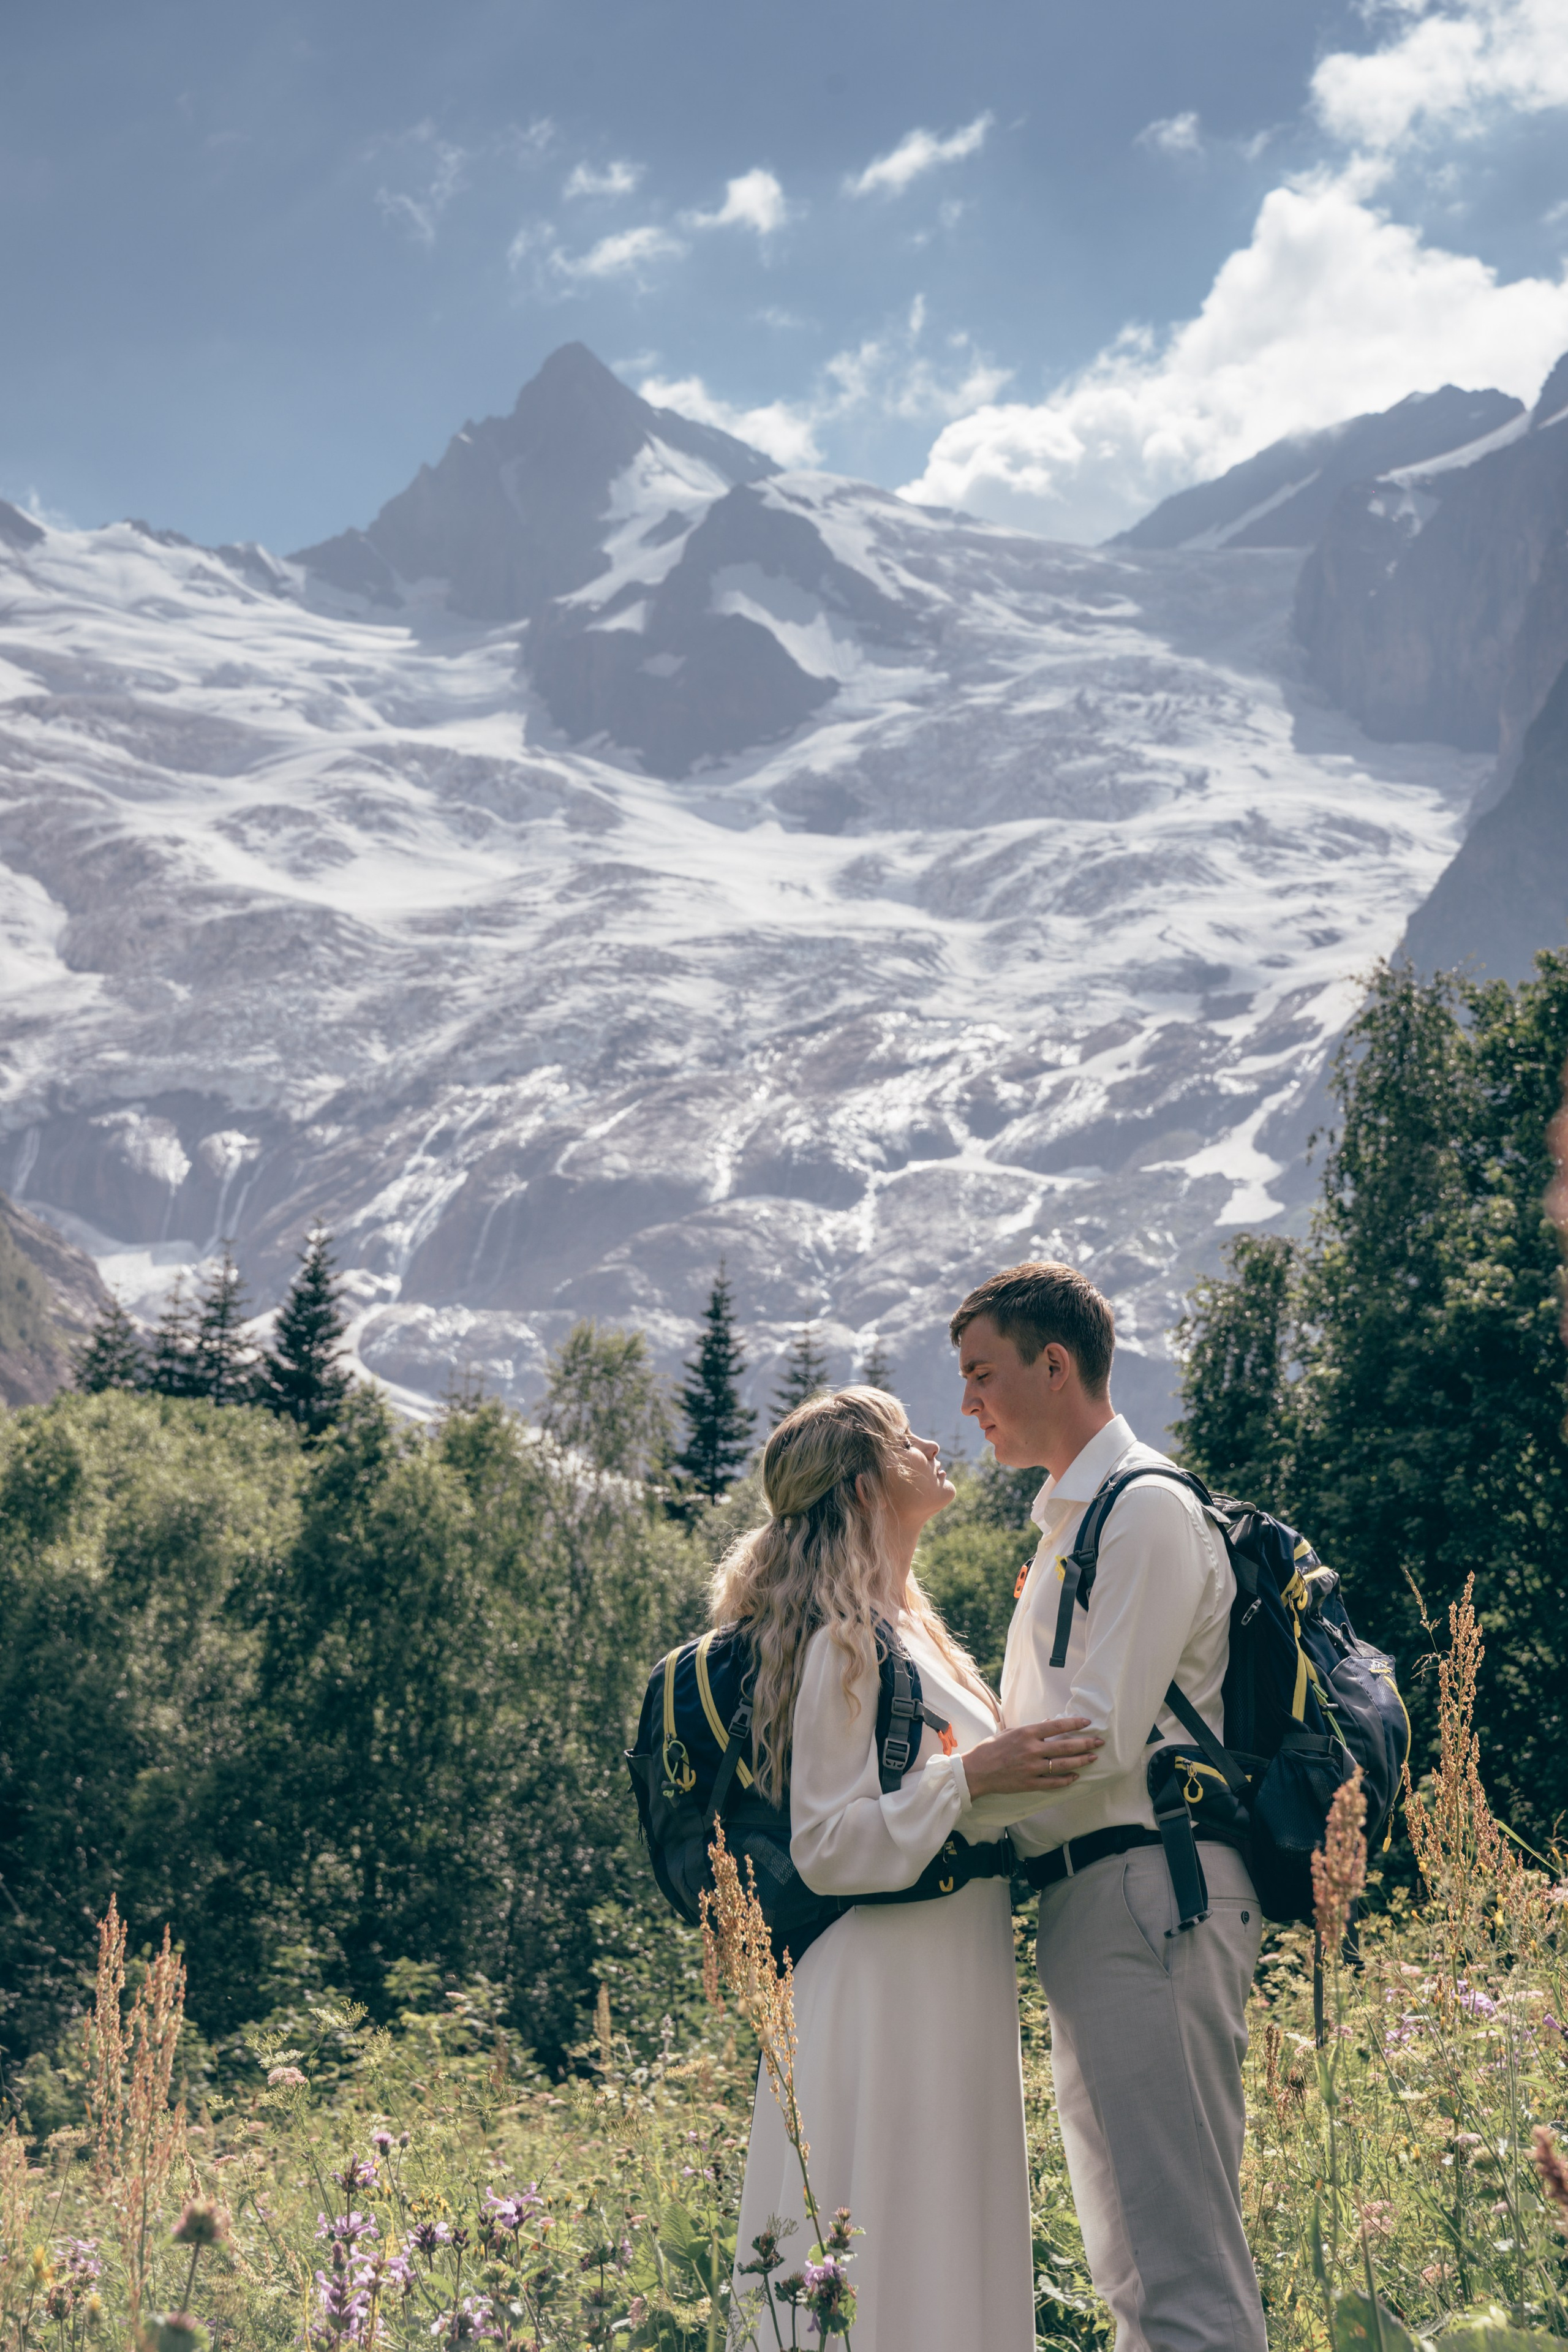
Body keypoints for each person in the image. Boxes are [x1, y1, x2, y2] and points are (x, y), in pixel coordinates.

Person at [722, 1384, 1102, 2352]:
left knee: (939, 2237)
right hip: (881, 1985)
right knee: (882, 2239)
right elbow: (828, 1843)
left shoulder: (916, 1635)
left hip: (945, 1974)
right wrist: (970, 1780)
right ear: (862, 1486)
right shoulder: (844, 1640)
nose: (933, 1442)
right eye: (902, 1437)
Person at [951, 1261, 1266, 2352]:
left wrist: (941, 1813)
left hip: (1150, 1886)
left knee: (1178, 2262)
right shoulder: (1070, 1531)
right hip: (1107, 1896)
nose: (969, 1403)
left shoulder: (1144, 1513)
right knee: (1133, 2258)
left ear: (1056, 1363)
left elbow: (1097, 1740)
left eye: (983, 1372)